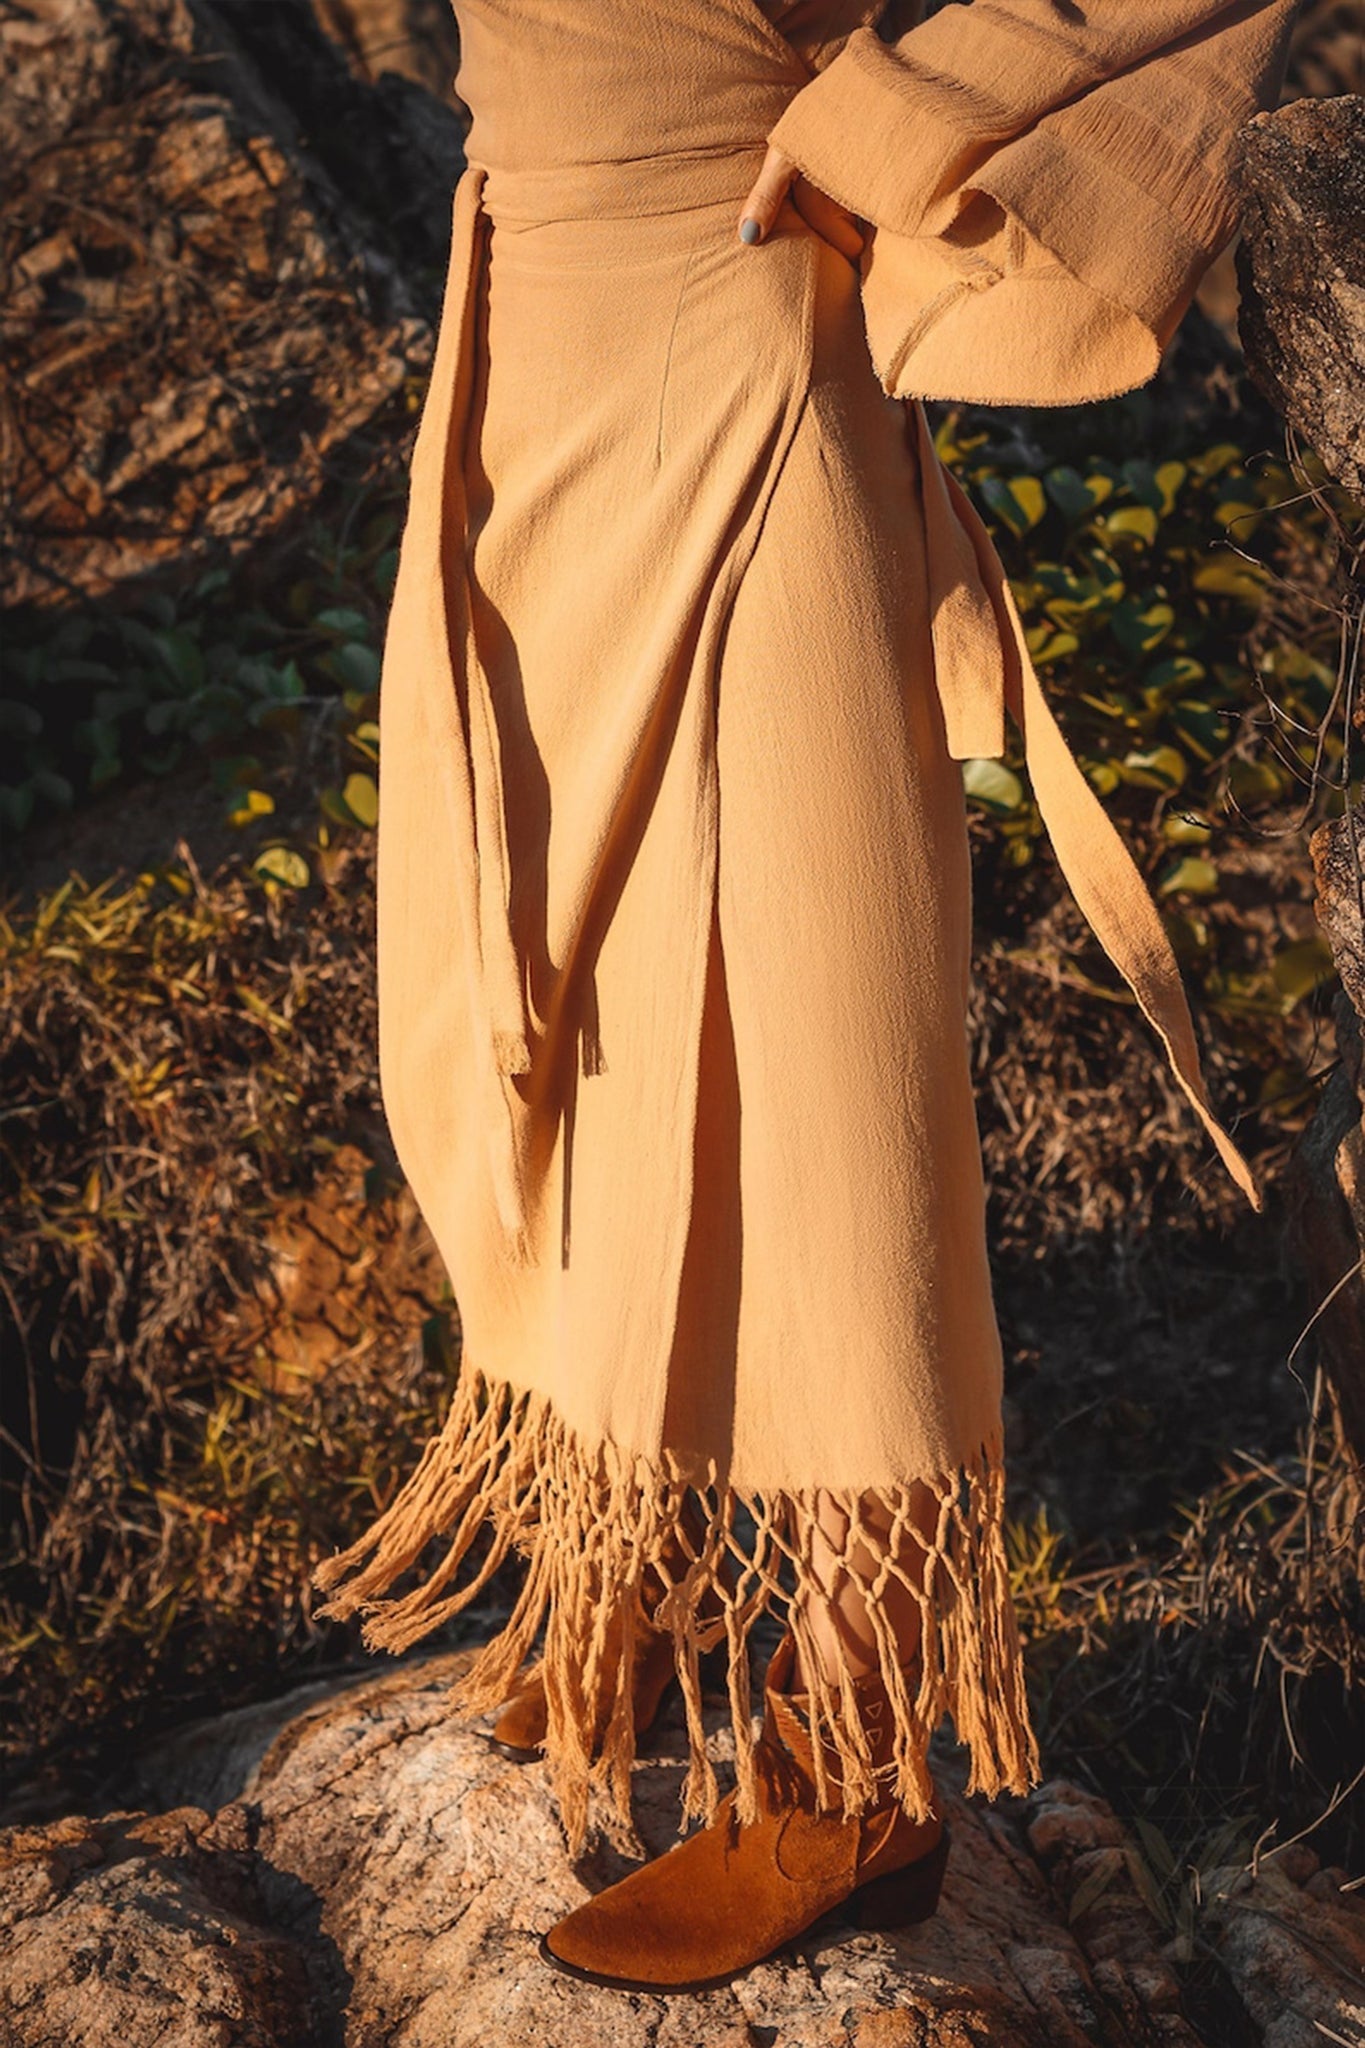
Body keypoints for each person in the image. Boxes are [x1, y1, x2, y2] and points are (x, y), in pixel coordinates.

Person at [311, 0, 1295, 1993]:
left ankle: (854, 1737)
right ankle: (646, 1544)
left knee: (802, 1021)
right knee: (540, 991)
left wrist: (905, 105)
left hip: (745, 309)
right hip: (526, 312)